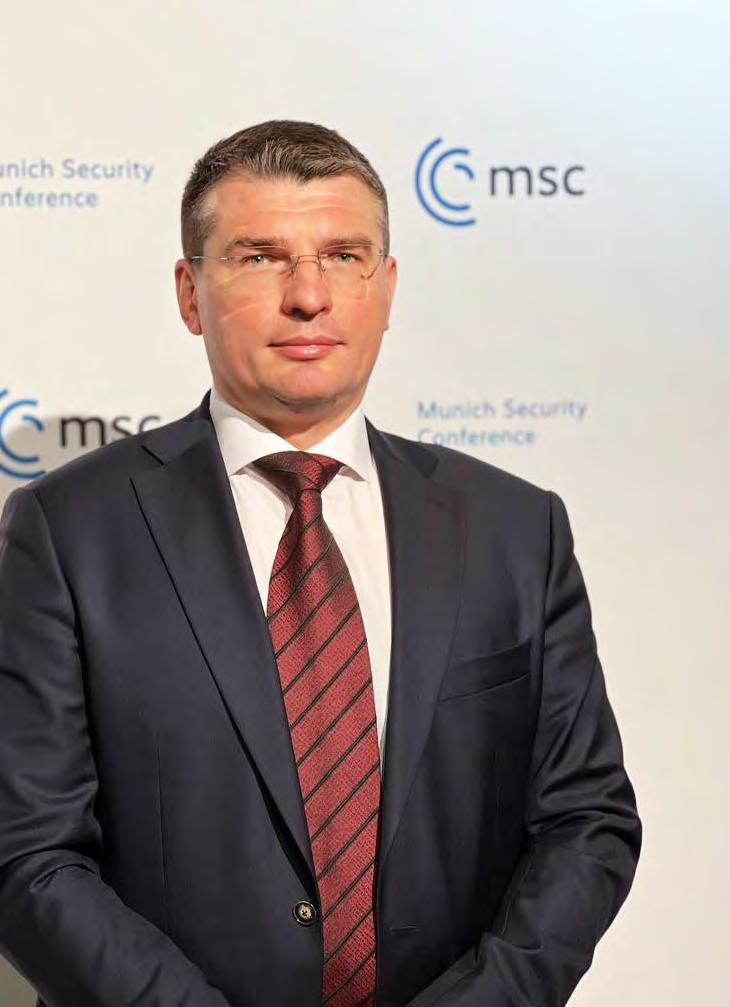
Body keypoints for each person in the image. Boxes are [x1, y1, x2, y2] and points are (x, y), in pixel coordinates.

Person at [0, 120, 641, 1007]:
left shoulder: (513, 529)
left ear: (387, 287)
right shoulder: (67, 530)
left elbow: (585, 819)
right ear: (189, 294)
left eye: (343, 256)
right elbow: (27, 850)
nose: (308, 295)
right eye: (260, 257)